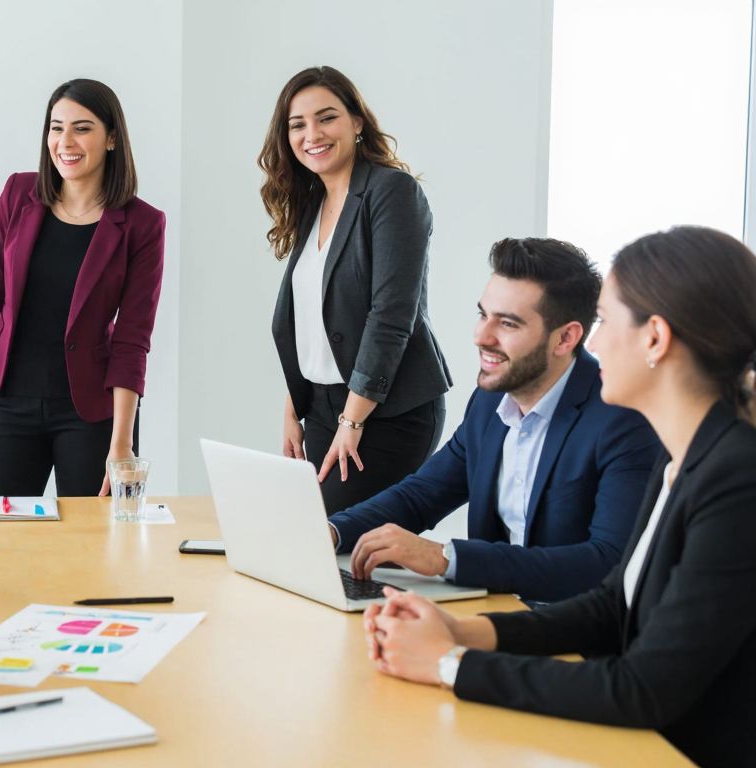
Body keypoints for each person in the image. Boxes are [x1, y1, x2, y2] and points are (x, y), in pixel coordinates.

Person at [366, 226, 756, 767]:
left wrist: (449, 664)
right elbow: (610, 605)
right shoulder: (682, 457)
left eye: (607, 323)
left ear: (655, 339)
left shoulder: (737, 480)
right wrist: (462, 631)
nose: (592, 345)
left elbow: (644, 687)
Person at [327, 238, 659, 602]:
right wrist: (331, 532)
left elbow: (608, 562)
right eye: (483, 314)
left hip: (574, 630)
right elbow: (420, 496)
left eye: (508, 324)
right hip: (496, 613)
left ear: (565, 338)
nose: (481, 337)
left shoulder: (623, 418)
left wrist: (445, 558)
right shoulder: (489, 402)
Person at [0, 78, 165, 497]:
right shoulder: (19, 193)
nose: (65, 141)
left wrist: (122, 444)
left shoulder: (142, 225)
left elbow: (133, 339)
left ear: (112, 138)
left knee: (91, 548)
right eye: (56, 127)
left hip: (91, 412)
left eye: (82, 128)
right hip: (10, 401)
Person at [260, 66, 451, 513]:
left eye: (326, 118)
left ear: (357, 122)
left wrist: (353, 418)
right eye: (297, 125)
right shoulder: (315, 203)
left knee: (332, 538)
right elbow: (314, 318)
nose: (312, 134)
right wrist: (294, 402)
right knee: (322, 542)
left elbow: (390, 316)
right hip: (325, 409)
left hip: (388, 411)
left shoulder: (392, 192)